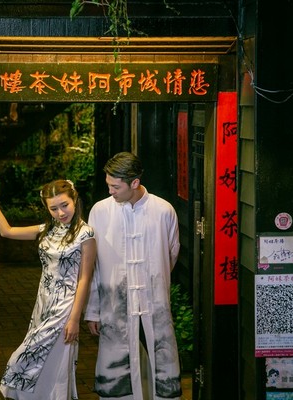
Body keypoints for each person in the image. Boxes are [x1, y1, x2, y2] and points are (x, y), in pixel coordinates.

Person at [0, 171, 96, 400]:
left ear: (75, 199)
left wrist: (75, 319)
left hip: (65, 307)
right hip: (43, 303)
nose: (60, 213)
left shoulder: (85, 233)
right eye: (53, 208)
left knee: (25, 358)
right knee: (48, 361)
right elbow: (6, 231)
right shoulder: (48, 228)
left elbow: (84, 278)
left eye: (64, 205)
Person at [85, 152, 182, 400]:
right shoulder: (100, 211)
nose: (111, 192)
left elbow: (171, 254)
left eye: (116, 187)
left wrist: (151, 280)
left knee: (160, 362)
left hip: (154, 303)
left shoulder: (163, 210)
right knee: (116, 369)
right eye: (108, 185)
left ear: (135, 183)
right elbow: (93, 265)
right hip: (115, 305)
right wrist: (93, 310)